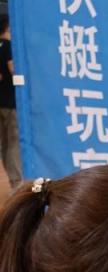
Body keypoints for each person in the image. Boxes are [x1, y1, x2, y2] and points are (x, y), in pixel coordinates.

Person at [0, 16, 21, 191]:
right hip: (11, 101)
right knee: (13, 143)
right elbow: (13, 69)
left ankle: (10, 178)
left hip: (1, 101)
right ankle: (16, 182)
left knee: (4, 143)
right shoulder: (8, 47)